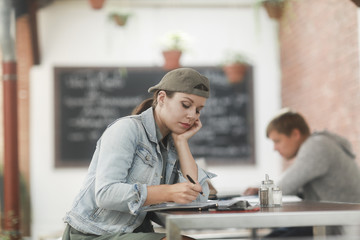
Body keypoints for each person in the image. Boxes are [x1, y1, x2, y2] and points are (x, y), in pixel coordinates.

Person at [62, 68, 216, 240]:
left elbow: (197, 201)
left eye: (198, 110)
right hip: (93, 233)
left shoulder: (171, 142)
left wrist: (182, 142)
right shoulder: (126, 129)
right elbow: (105, 194)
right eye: (186, 105)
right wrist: (168, 192)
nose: (192, 115)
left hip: (131, 231)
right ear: (162, 98)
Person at [244, 109, 360, 238]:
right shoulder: (319, 143)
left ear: (295, 134)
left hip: (341, 229)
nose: (275, 148)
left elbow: (285, 187)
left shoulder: (317, 146)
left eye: (277, 141)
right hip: (333, 223)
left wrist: (261, 190)